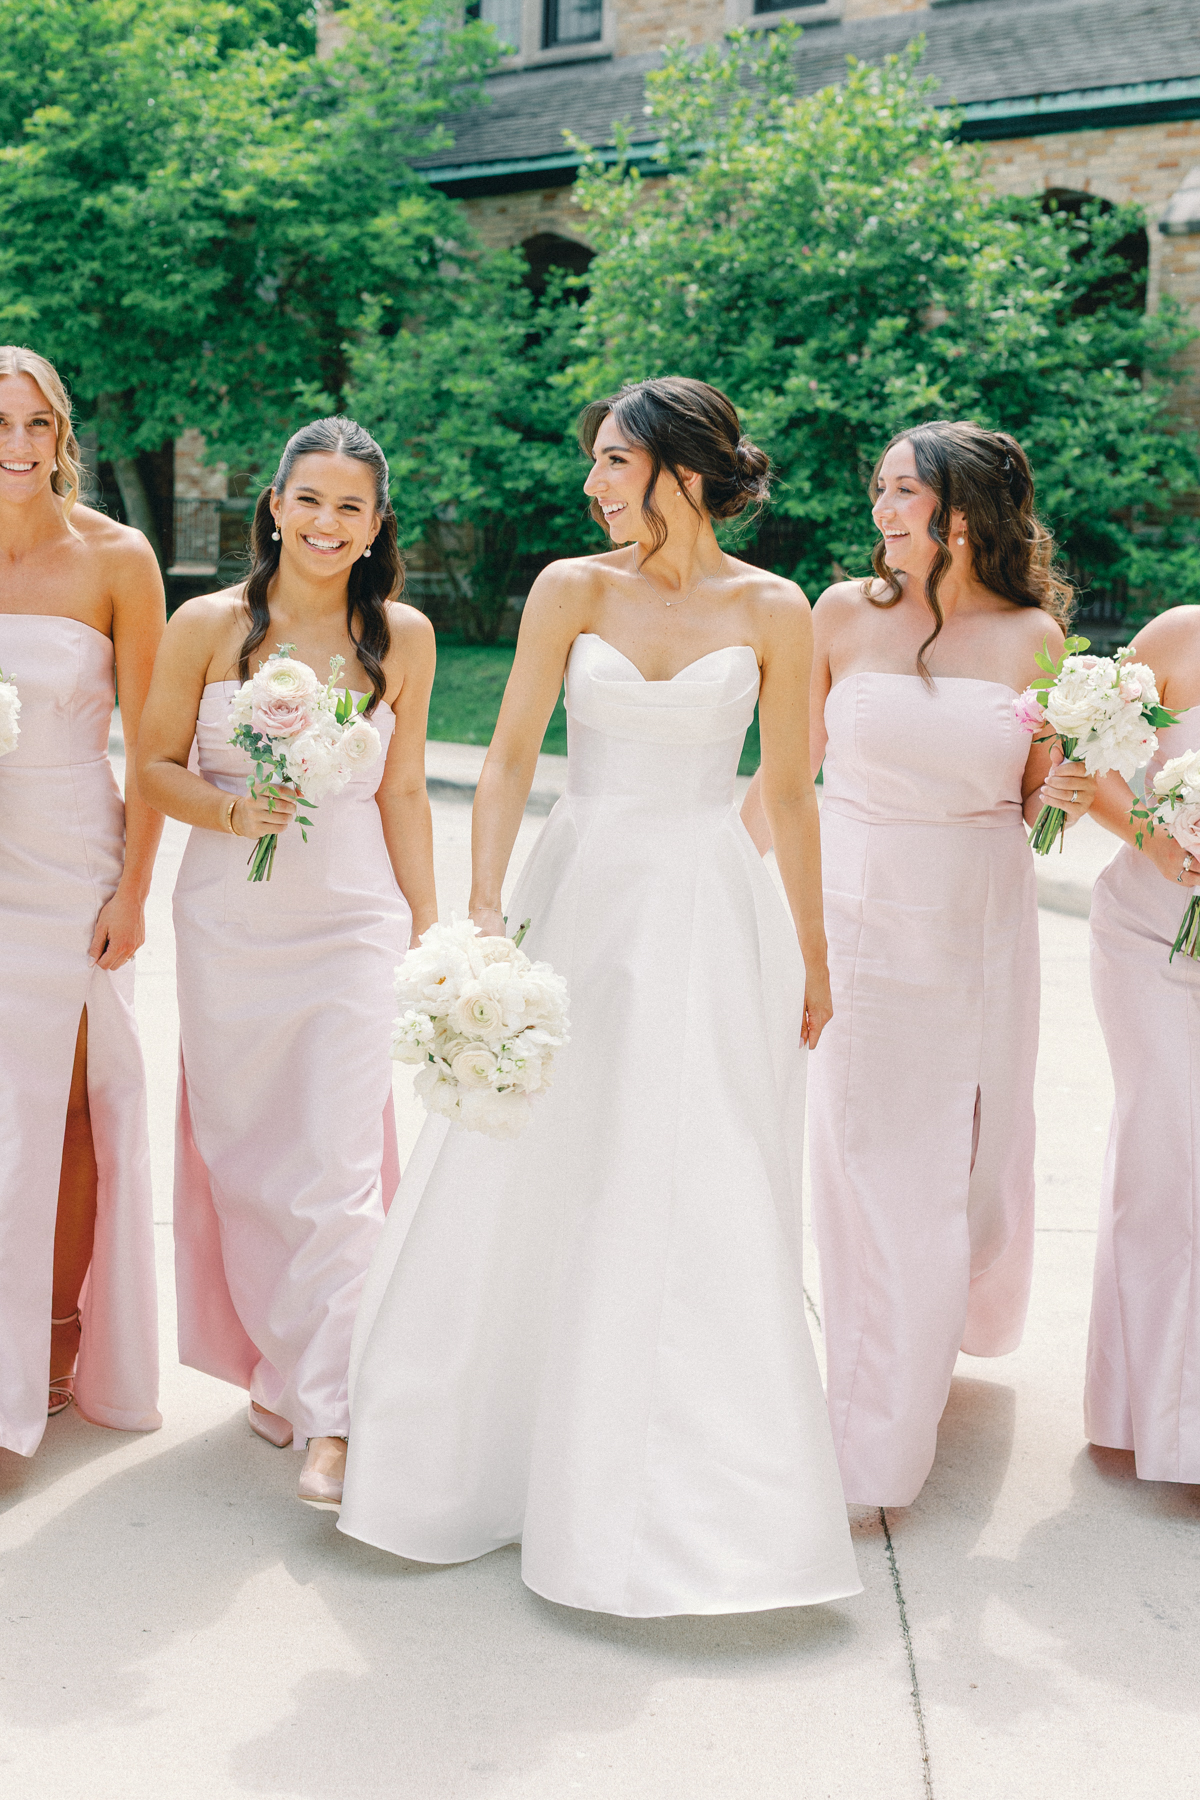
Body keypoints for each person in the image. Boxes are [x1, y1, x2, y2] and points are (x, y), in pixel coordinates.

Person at [339, 376, 861, 1618]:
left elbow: (787, 794)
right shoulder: (571, 588)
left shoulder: (777, 609)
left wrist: (815, 951)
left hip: (705, 903)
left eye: (614, 460)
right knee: (542, 1155)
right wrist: (483, 912)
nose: (592, 484)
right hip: (582, 893)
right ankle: (489, 1456)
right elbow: (512, 754)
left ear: (682, 467)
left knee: (693, 1161)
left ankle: (693, 1491)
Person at [743, 420, 1094, 1509]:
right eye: (883, 489)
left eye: (907, 493)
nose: (884, 510)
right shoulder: (841, 613)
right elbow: (784, 782)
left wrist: (1061, 798)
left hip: (977, 928)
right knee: (859, 1165)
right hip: (853, 923)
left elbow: (1036, 810)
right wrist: (701, 877)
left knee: (956, 1170)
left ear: (965, 512)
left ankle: (924, 1346)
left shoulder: (1036, 635)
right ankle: (873, 1432)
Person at [138, 416, 436, 1508]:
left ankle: (342, 1419)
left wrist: (430, 930)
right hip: (231, 925)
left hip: (351, 921)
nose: (326, 522)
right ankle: (288, 1360)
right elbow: (155, 770)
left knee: (339, 1165)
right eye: (308, 499)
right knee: (253, 1163)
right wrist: (227, 807)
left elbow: (402, 794)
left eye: (350, 506)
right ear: (274, 506)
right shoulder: (209, 626)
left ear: (374, 525)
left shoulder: (401, 635)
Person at [0, 344, 164, 1456]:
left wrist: (136, 891)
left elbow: (152, 747)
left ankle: (54, 1347)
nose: (16, 450)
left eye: (35, 427)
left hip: (68, 854)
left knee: (63, 1110)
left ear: (64, 436)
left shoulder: (119, 557)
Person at [1085, 606, 1200, 1483]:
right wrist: (1161, 842)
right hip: (1148, 940)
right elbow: (1094, 768)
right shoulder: (1176, 638)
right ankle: (1155, 1417)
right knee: (1169, 1155)